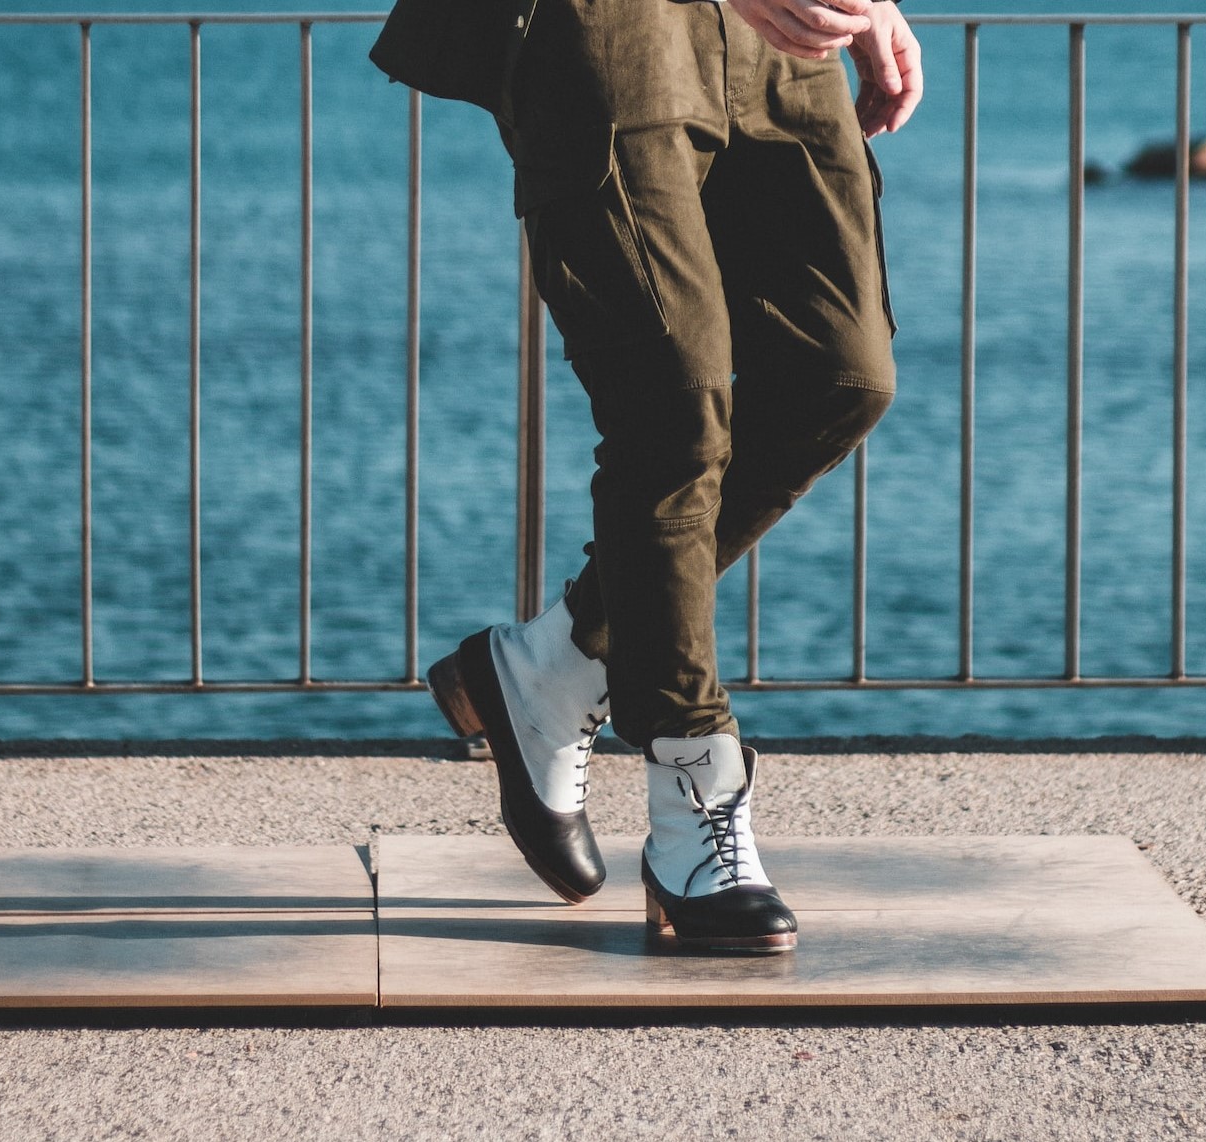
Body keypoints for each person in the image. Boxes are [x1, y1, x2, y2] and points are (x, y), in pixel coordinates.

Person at [373, 0, 920, 954]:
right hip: (604, 25)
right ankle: (691, 809)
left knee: (844, 375)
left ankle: (557, 663)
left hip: (776, 45)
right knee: (672, 410)